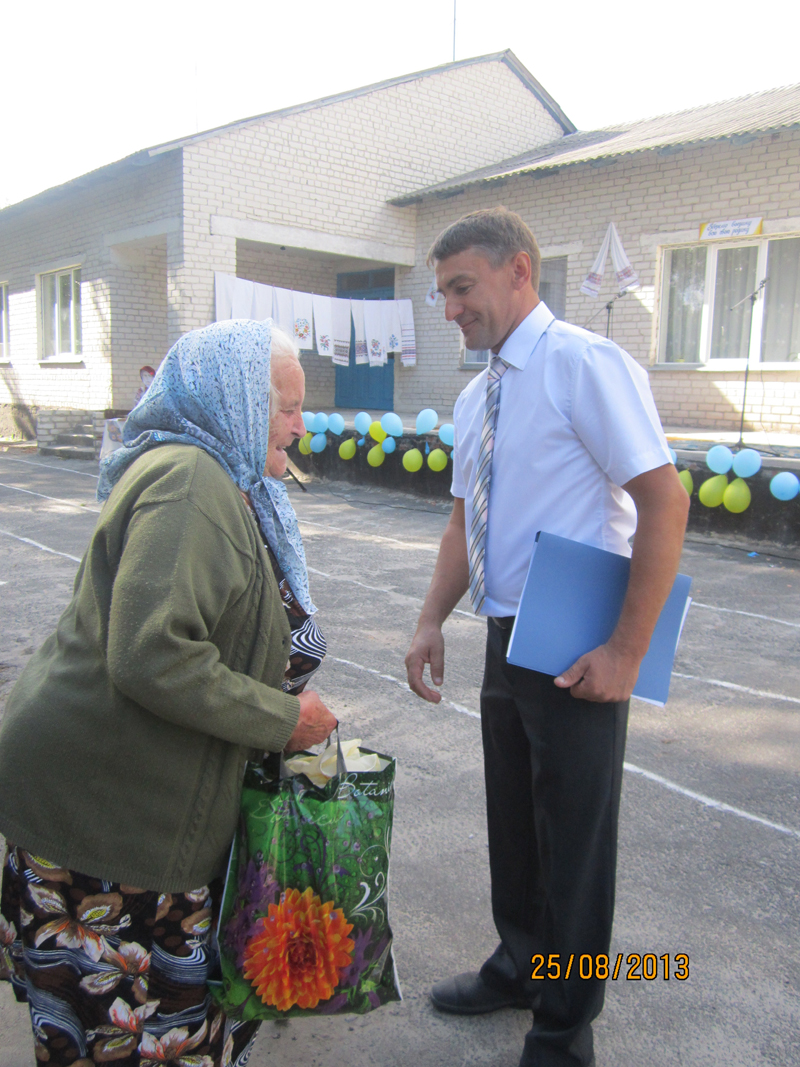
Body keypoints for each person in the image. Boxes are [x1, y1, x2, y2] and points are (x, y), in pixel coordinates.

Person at [0, 319, 338, 1067]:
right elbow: (151, 651)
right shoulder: (190, 481)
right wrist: (282, 719)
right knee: (135, 1039)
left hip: (130, 803)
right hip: (107, 827)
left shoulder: (229, 481)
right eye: (284, 405)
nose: (300, 424)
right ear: (233, 400)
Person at [405, 207, 689, 1067]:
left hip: (574, 641)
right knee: (515, 824)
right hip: (505, 632)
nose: (450, 307)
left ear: (518, 271)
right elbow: (466, 518)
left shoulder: (582, 364)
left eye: (462, 288)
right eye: (443, 292)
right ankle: (520, 961)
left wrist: (628, 651)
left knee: (573, 838)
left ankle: (565, 1026)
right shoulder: (474, 391)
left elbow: (663, 499)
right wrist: (430, 616)